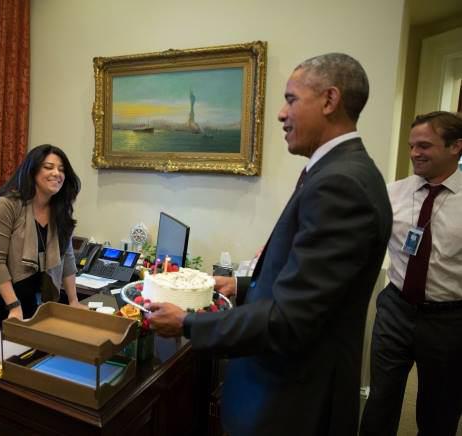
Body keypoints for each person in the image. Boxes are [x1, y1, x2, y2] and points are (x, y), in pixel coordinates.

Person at [148, 53, 392, 435]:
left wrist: (188, 323)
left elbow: (291, 319)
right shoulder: (342, 171)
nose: (280, 113)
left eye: (291, 99)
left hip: (292, 401)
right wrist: (240, 285)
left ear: (329, 100)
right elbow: (308, 284)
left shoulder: (340, 184)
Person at [360, 112, 462, 436]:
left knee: (439, 410)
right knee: (380, 401)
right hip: (396, 308)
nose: (415, 153)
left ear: (455, 147)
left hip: (449, 319)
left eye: (424, 146)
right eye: (411, 146)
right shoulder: (393, 193)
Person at [0, 144, 84, 337]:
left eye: (61, 169)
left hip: (23, 293)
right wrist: (14, 306)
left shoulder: (59, 209)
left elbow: (66, 257)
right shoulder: (7, 205)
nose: (57, 173)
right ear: (32, 171)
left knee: (27, 350)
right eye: (48, 167)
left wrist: (73, 301)